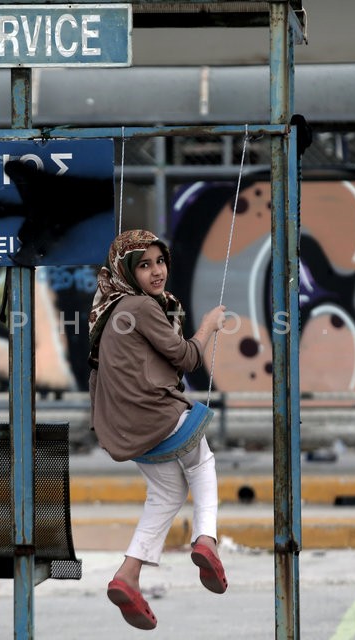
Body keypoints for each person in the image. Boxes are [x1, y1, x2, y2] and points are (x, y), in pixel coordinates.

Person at [88, 229, 229, 630]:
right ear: (127, 272)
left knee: (167, 492)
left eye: (160, 261)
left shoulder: (110, 305)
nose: (156, 272)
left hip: (124, 429)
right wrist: (209, 325)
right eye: (144, 265)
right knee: (202, 463)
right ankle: (206, 540)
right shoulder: (141, 307)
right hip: (157, 418)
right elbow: (186, 358)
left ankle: (128, 576)